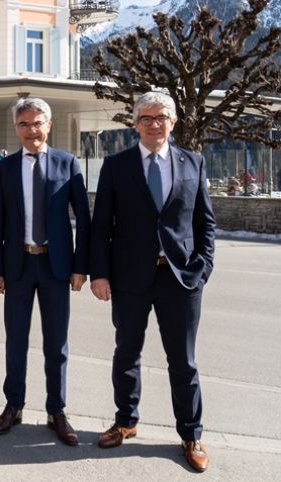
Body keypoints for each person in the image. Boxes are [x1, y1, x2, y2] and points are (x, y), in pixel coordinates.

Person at [90, 91, 215, 472]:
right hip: (129, 277)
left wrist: (203, 267)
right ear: (135, 124)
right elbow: (101, 226)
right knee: (126, 353)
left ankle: (191, 433)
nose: (153, 124)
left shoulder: (193, 162)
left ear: (172, 122)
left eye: (161, 117)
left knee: (184, 362)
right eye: (145, 117)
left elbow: (204, 223)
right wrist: (100, 273)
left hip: (180, 279)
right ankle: (126, 421)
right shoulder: (116, 165)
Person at [0, 98, 91, 446]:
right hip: (16, 265)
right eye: (24, 124)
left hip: (55, 266)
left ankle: (56, 410)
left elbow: (84, 220)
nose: (32, 130)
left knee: (56, 343)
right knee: (15, 340)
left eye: (37, 123)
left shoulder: (67, 163)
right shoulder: (4, 167)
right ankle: (13, 405)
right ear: (16, 128)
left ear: (49, 124)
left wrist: (80, 267)